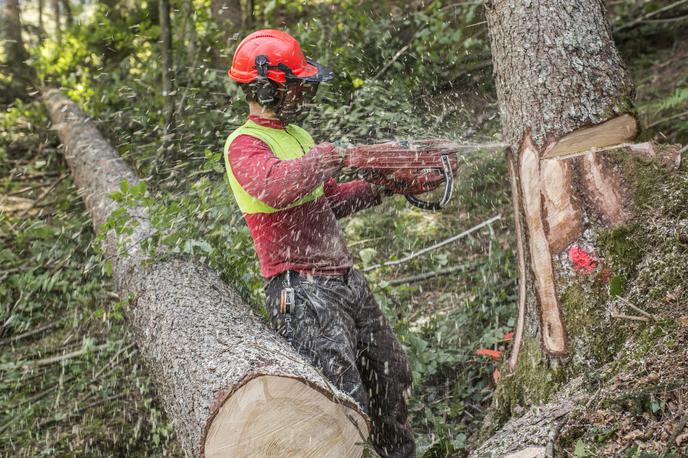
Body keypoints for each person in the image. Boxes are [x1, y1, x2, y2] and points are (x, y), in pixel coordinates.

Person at [224, 29, 415, 457]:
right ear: (264, 88)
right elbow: (276, 187)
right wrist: (336, 154)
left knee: (390, 374)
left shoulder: (298, 137)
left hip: (344, 280)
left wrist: (387, 183)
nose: (302, 94)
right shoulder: (244, 145)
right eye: (295, 86)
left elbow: (330, 200)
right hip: (302, 291)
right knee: (342, 404)